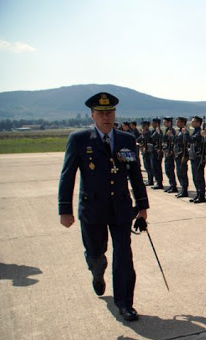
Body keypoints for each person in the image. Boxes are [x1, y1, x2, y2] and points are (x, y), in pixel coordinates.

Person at [58, 92, 149, 321]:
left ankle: (125, 303)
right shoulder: (79, 139)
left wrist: (142, 205)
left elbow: (135, 175)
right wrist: (64, 209)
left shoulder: (126, 140)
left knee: (124, 256)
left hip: (120, 208)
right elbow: (67, 176)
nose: (106, 117)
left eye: (110, 112)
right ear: (93, 115)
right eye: (101, 113)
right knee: (96, 252)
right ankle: (97, 271)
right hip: (93, 209)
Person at [188, 116, 206, 203]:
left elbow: (191, 140)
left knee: (199, 177)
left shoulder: (199, 132)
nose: (192, 123)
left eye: (194, 122)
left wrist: (185, 134)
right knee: (195, 177)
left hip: (198, 158)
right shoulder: (196, 131)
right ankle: (198, 194)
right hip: (193, 157)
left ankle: (201, 195)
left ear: (199, 123)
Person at [174, 117, 191, 198]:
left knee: (182, 173)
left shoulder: (185, 132)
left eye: (178, 122)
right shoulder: (179, 131)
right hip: (178, 154)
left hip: (182, 155)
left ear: (183, 123)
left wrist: (185, 155)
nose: (177, 123)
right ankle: (182, 189)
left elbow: (186, 145)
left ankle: (184, 190)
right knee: (179, 173)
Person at [162, 116, 177, 193]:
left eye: (165, 122)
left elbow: (173, 142)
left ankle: (173, 186)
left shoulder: (172, 131)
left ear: (169, 122)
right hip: (167, 152)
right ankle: (171, 185)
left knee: (170, 170)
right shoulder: (167, 130)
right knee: (167, 170)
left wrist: (170, 151)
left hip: (170, 153)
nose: (164, 123)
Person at [137, 120, 154, 186]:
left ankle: (150, 180)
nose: (143, 127)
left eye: (144, 126)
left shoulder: (149, 133)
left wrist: (143, 134)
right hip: (144, 152)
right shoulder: (143, 134)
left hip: (148, 152)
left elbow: (148, 140)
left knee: (148, 167)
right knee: (146, 166)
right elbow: (138, 140)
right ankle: (149, 179)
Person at [150, 118, 164, 189]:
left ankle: (159, 182)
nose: (152, 124)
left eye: (153, 123)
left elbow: (160, 140)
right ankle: (157, 182)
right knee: (154, 168)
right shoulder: (154, 131)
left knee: (157, 167)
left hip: (157, 152)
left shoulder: (159, 132)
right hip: (153, 151)